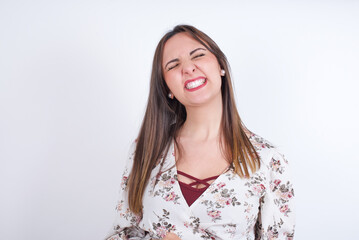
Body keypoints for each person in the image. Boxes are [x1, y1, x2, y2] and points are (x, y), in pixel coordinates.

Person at [105, 25, 295, 240]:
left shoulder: (268, 160)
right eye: (173, 65)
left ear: (220, 66)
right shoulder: (147, 149)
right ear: (167, 87)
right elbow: (122, 233)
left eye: (198, 55)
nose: (188, 68)